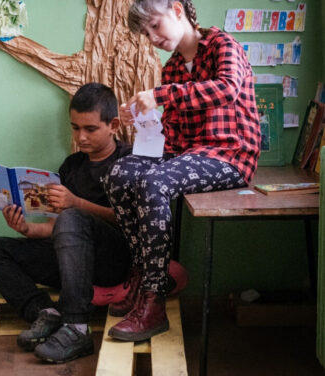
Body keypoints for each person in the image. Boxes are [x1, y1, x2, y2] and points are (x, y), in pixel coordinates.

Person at [103, 0, 261, 342]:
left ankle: (153, 301)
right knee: (118, 174)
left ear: (177, 10)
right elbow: (174, 137)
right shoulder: (173, 68)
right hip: (190, 154)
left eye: (155, 26)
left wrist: (159, 96)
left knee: (154, 181)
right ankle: (143, 277)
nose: (152, 38)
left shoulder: (223, 45)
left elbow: (226, 88)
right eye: (146, 34)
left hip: (231, 155)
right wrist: (143, 121)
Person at [0, 83, 132, 364]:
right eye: (75, 128)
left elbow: (134, 222)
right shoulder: (72, 166)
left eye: (90, 129)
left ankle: (77, 327)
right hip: (70, 261)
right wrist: (27, 229)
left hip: (114, 260)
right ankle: (45, 313)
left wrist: (77, 203)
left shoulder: (130, 162)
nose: (81, 137)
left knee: (73, 216)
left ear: (113, 125)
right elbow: (60, 228)